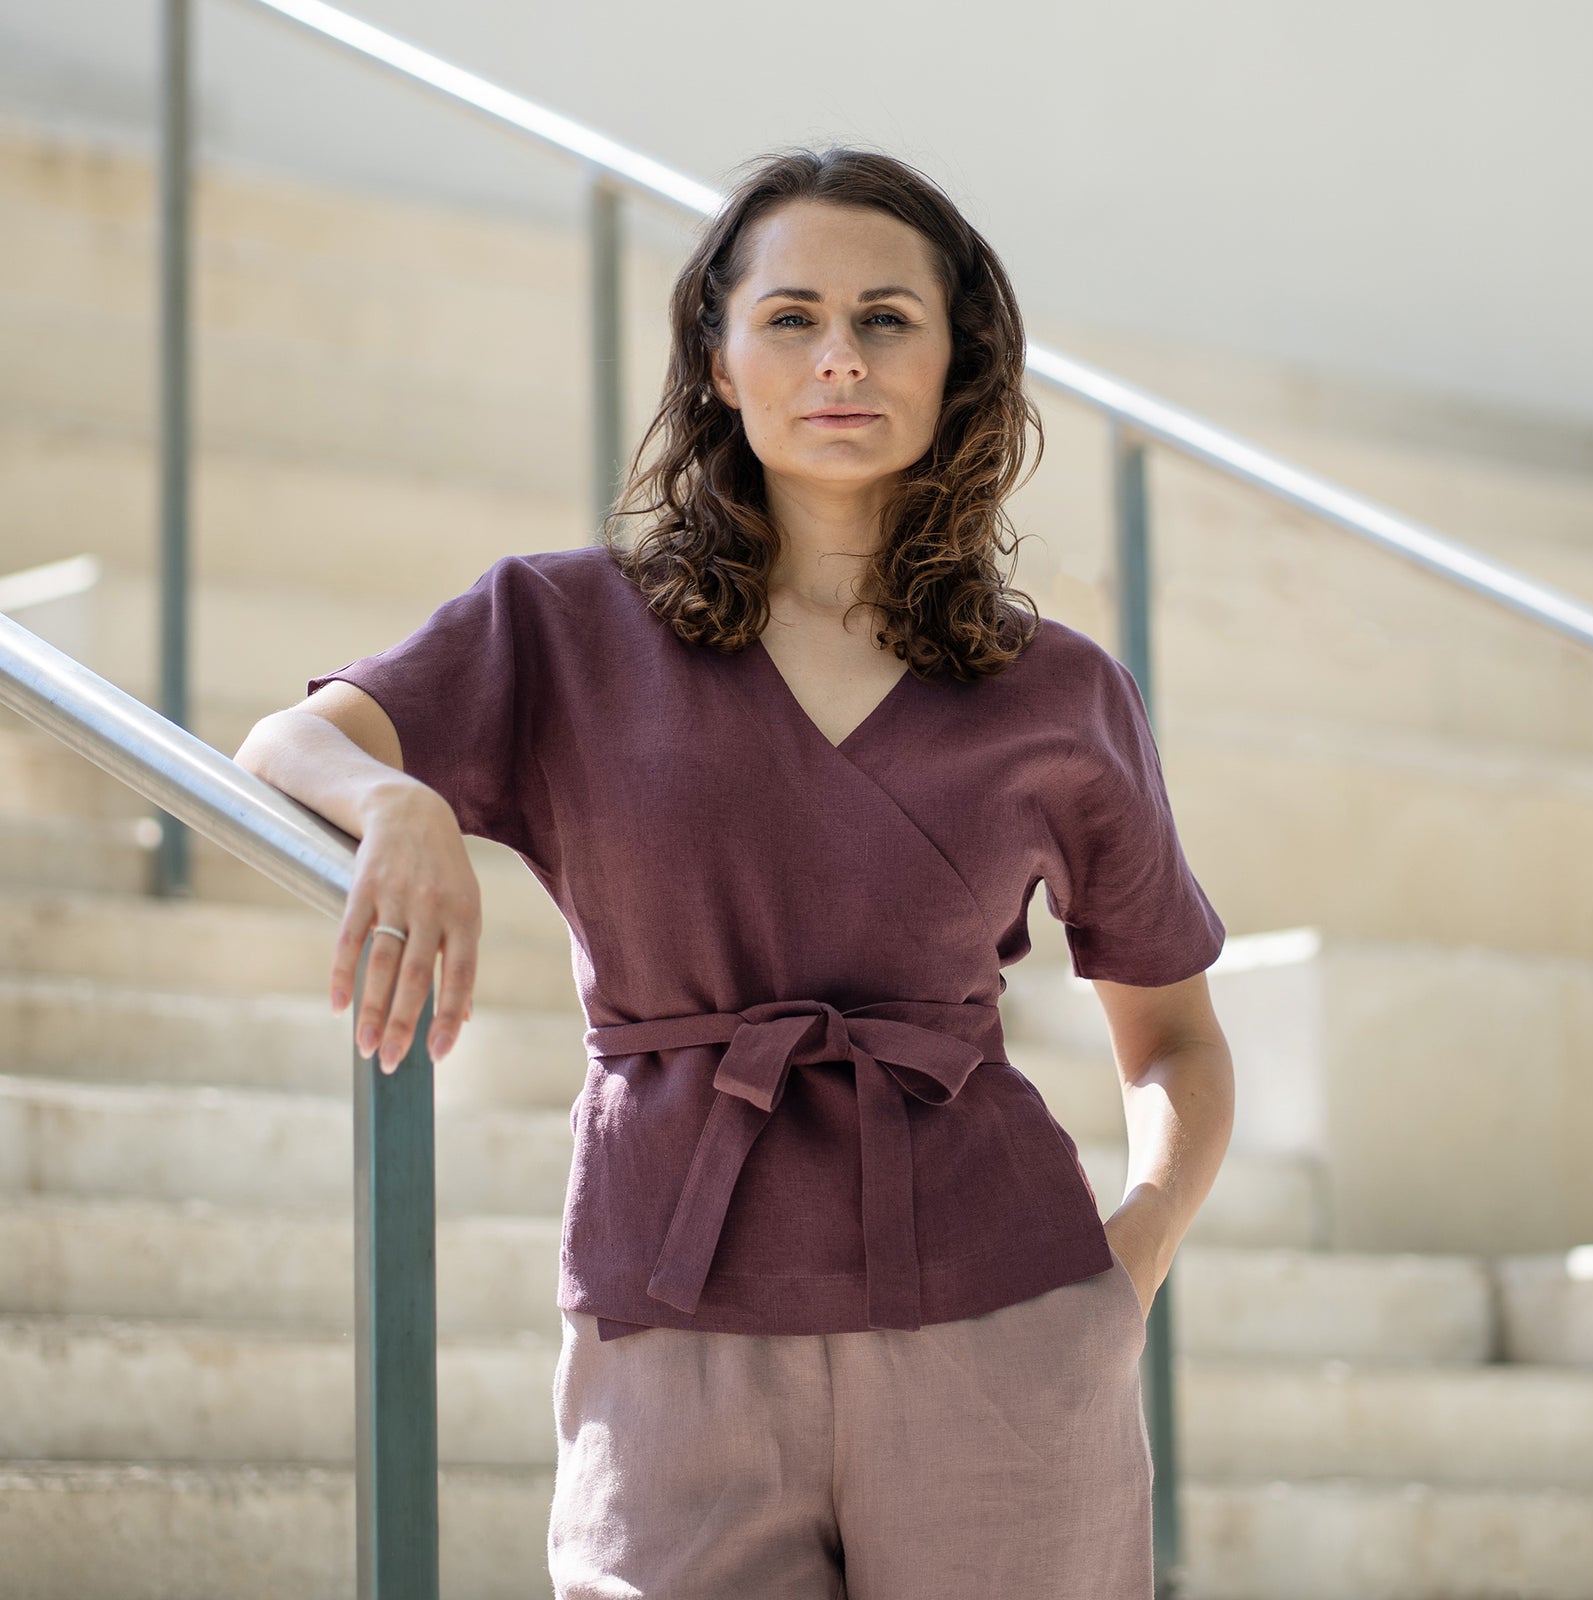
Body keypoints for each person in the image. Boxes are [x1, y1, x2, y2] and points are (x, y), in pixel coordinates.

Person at [235, 145, 1234, 1600]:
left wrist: (1122, 1264)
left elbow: (1180, 1041)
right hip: (675, 1313)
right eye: (791, 317)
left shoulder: (1060, 691)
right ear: (716, 356)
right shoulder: (565, 625)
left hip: (1006, 1319)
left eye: (889, 318)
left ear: (958, 363)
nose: (840, 356)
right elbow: (287, 745)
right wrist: (398, 805)